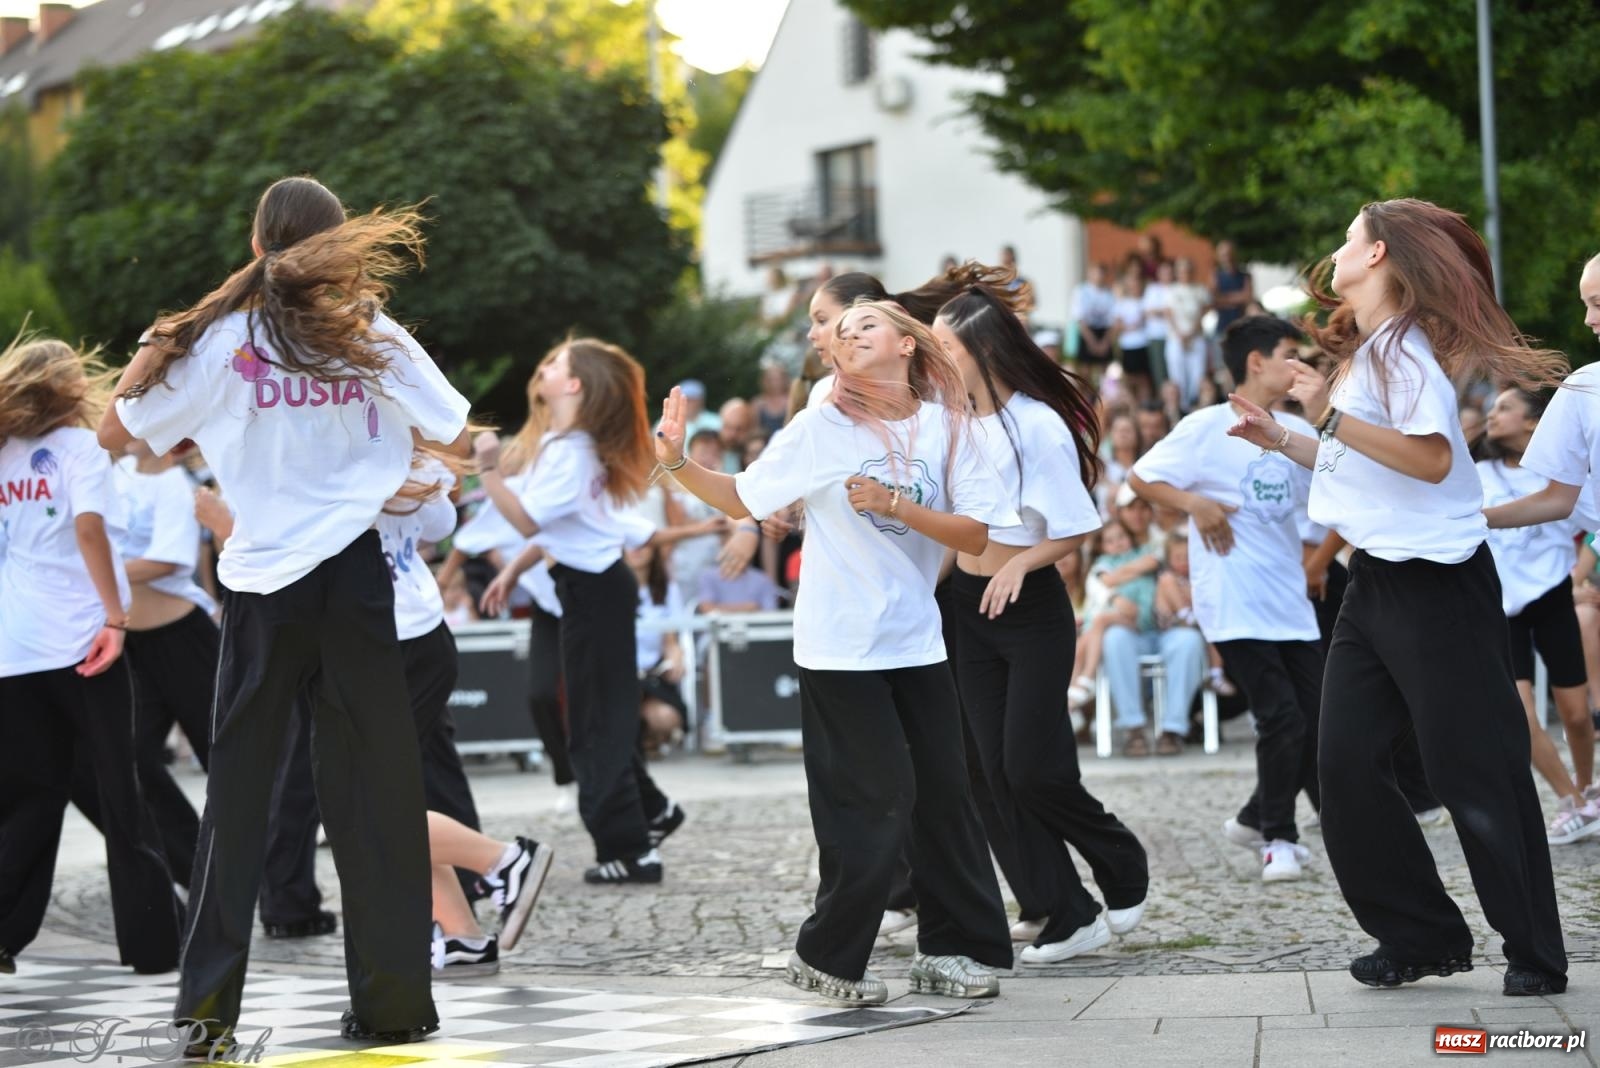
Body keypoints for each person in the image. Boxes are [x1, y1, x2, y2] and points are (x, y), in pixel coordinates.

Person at [101, 177, 471, 1050]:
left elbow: (123, 427)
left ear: (258, 239)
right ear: (338, 242)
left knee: (237, 796)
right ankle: (392, 1009)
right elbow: (453, 429)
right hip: (353, 579)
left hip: (264, 581)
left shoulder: (224, 334)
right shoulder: (368, 328)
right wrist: (380, 461)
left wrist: (162, 342)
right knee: (375, 796)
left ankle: (205, 1017)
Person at [1227, 197, 1567, 996]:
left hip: (1440, 587)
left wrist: (1334, 422)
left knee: (1473, 770)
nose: (1336, 252)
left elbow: (1428, 459)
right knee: (1342, 764)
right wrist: (1282, 437)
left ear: (1379, 255)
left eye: (1349, 239)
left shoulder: (1402, 352)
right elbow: (1363, 469)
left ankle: (1535, 951)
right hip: (1374, 584)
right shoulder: (1368, 354)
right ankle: (1420, 936)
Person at [656, 300, 1016, 1005]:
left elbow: (974, 537)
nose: (847, 336)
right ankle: (827, 955)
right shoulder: (820, 426)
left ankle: (949, 949)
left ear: (908, 345)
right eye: (839, 332)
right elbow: (740, 498)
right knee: (877, 796)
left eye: (865, 325)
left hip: (915, 640)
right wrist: (674, 462)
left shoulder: (950, 429)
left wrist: (895, 505)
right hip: (840, 646)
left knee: (944, 794)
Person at [933, 286, 1149, 962]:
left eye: (946, 348)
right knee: (990, 778)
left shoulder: (1038, 425)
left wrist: (1019, 564)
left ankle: (1121, 860)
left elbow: (1079, 529)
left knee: (1031, 769)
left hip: (1030, 614)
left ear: (985, 351)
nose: (937, 360)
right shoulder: (950, 420)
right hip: (968, 612)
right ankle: (1064, 911)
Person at [0, 338, 181, 977]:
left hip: (12, 649)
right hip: (81, 639)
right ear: (72, 388)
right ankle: (157, 943)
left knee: (27, 796)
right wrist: (114, 616)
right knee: (120, 791)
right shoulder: (81, 450)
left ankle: (3, 931)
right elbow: (88, 529)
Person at [474, 339, 682, 885]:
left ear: (574, 386)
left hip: (593, 593)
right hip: (591, 589)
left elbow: (526, 521)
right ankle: (652, 814)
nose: (541, 368)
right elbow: (557, 530)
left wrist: (488, 471)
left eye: (555, 365)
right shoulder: (569, 445)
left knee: (596, 725)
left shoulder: (570, 452)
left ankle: (630, 850)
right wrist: (515, 570)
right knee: (599, 717)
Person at [1130, 315, 1324, 882]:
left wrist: (1318, 560)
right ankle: (1278, 840)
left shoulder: (1292, 429)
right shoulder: (1206, 426)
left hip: (1289, 598)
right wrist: (1196, 505)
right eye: (1290, 353)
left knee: (1313, 719)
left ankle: (1251, 816)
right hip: (1233, 599)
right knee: (1281, 716)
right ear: (1256, 361)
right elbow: (1143, 479)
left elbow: (1329, 501)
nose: (1300, 365)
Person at [1476, 388, 1599, 843]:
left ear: (1533, 422)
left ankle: (1589, 787)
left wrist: (1580, 581)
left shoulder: (1560, 474)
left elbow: (1594, 531)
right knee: (1518, 715)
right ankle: (1573, 800)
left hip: (1552, 598)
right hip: (1499, 606)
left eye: (1504, 407)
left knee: (1576, 715)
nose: (1492, 414)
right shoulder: (1476, 472)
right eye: (1490, 407)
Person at [106, 437, 217, 889]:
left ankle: (263, 874)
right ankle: (192, 866)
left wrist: (96, 565)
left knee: (223, 759)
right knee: (132, 759)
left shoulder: (176, 484)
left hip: (184, 640)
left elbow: (167, 561)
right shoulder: (116, 476)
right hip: (130, 643)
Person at [1166, 258, 1212, 408]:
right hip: (1176, 337)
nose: (1184, 274)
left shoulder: (1199, 290)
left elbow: (1204, 312)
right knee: (1177, 372)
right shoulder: (1171, 290)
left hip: (1196, 336)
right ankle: (1180, 405)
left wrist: (1191, 333)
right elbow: (1169, 314)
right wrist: (1180, 334)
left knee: (1197, 372)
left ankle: (1195, 402)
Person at [1112, 265, 1152, 403]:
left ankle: (1144, 404)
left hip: (1143, 343)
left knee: (1143, 379)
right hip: (1128, 345)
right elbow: (1117, 325)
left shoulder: (1145, 301)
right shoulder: (1122, 303)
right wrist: (1131, 326)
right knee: (1129, 378)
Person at [1071, 264, 1117, 374]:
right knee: (1085, 370)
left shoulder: (1109, 293)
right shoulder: (1081, 291)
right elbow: (1080, 319)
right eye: (1096, 273)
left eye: (1101, 273)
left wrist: (1105, 342)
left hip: (1104, 331)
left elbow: (1114, 319)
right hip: (1088, 332)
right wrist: (1092, 342)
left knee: (1105, 371)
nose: (1099, 276)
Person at [1142, 260, 1173, 393]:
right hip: (1157, 335)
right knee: (1159, 369)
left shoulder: (1175, 288)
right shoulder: (1153, 289)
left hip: (1173, 336)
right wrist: (1166, 312)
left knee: (1172, 370)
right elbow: (1148, 311)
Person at [1210, 239, 1253, 336]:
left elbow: (1248, 298)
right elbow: (1214, 300)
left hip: (1242, 327)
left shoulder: (1245, 275)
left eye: (1229, 254)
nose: (1227, 258)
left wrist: (1224, 298)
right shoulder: (1216, 276)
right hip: (1223, 327)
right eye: (1224, 255)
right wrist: (1238, 297)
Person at [754, 361, 792, 437]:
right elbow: (755, 429)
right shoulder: (758, 403)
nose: (775, 383)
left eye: (778, 379)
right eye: (772, 379)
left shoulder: (791, 400)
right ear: (765, 381)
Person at [717, 398, 754, 473]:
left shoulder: (756, 457)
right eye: (728, 427)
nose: (732, 434)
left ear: (749, 428)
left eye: (739, 429)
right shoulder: (707, 449)